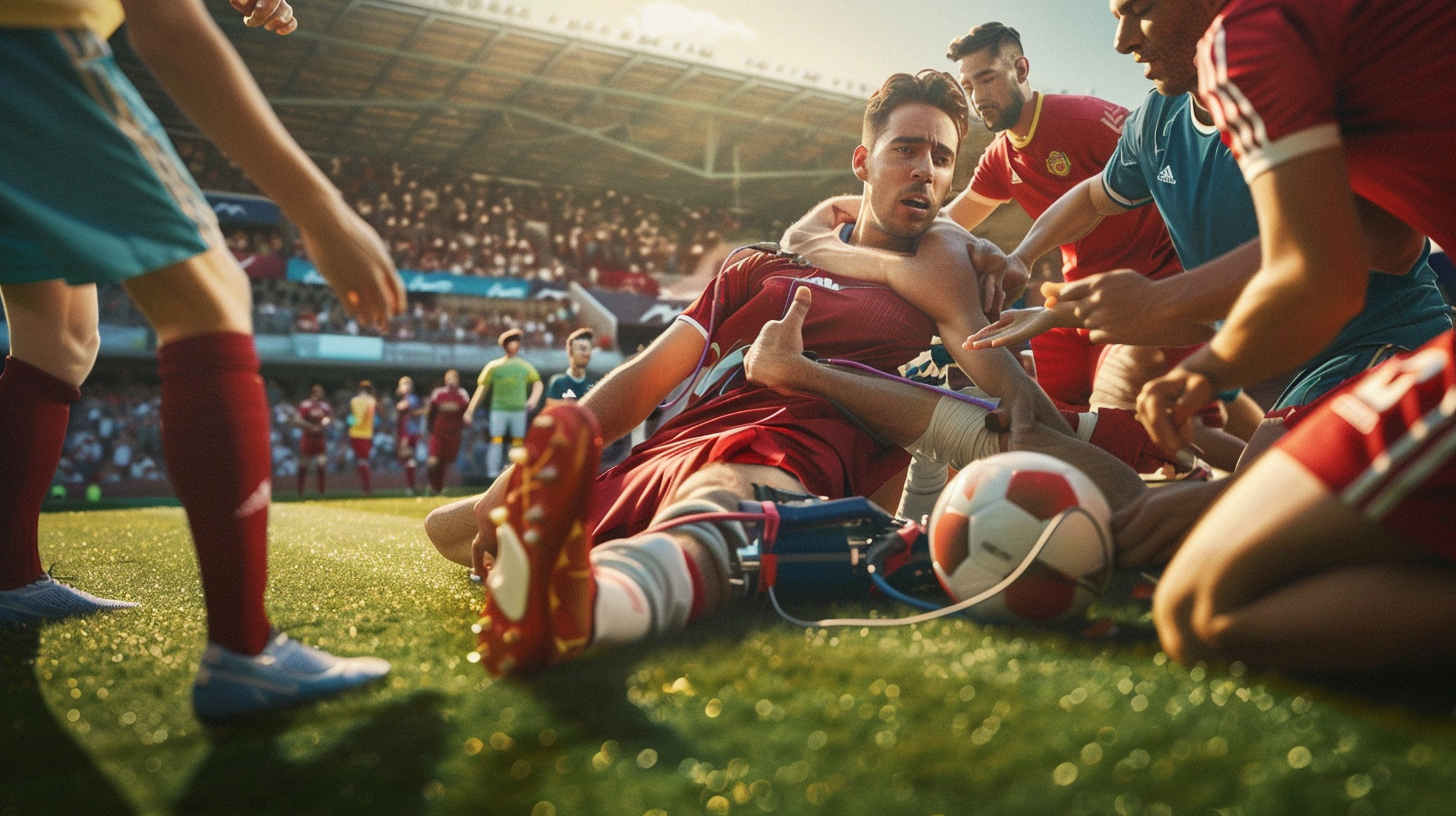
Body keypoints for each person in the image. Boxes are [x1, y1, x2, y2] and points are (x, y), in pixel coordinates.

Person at [425, 71, 1087, 678]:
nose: (924, 171)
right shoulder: (758, 265)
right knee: (451, 529)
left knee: (717, 496)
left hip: (794, 459)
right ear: (863, 161)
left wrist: (1077, 456)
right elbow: (649, 375)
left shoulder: (942, 281)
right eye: (906, 150)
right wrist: (510, 485)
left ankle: (596, 606)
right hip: (678, 445)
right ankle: (607, 562)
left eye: (941, 158)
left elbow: (1004, 384)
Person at [0, 0, 402, 719]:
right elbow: (171, 29)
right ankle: (246, 652)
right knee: (214, 300)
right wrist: (320, 210)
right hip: (28, 48)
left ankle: (8, 578)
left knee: (60, 339)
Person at [962, 0, 1451, 567]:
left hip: (1373, 351)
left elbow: (1364, 247)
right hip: (1288, 371)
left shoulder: (1300, 73)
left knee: (1228, 561)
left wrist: (1162, 306)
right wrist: (1036, 275)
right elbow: (1092, 197)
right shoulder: (1157, 121)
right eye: (1114, 15)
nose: (1121, 41)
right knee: (1192, 545)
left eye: (1139, 10)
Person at [1124, 0, 1456, 673]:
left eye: (1141, 9)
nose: (1125, 38)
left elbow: (1318, 278)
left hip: (1380, 339)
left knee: (1201, 609)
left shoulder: (1251, 33)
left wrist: (1200, 366)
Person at [465, 328, 542, 479]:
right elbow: (482, 389)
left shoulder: (524, 366)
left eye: (517, 342)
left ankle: (515, 472)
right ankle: (492, 474)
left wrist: (532, 400)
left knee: (517, 442)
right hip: (498, 410)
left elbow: (538, 383)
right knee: (496, 440)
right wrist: (469, 411)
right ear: (505, 345)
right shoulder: (494, 366)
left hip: (519, 411)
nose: (514, 346)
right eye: (511, 343)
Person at [425, 369, 470, 495]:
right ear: (445, 380)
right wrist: (429, 429)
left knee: (444, 463)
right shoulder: (438, 394)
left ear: (458, 380)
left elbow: (467, 411)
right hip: (438, 434)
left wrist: (466, 423)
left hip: (453, 435)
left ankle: (437, 489)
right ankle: (432, 485)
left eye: (454, 378)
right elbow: (431, 413)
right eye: (449, 378)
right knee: (433, 462)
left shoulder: (462, 394)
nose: (451, 380)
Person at [294, 383, 333, 497]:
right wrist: (310, 426)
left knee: (321, 465)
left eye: (320, 392)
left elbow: (329, 419)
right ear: (312, 392)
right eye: (316, 392)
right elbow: (297, 420)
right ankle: (300, 491)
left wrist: (323, 423)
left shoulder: (324, 406)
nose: (318, 394)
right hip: (308, 437)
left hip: (320, 437)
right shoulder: (306, 405)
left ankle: (321, 491)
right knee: (304, 464)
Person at [545, 328, 598, 407]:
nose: (586, 354)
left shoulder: (594, 384)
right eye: (582, 349)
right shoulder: (558, 382)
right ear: (570, 351)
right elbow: (549, 408)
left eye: (589, 350)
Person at [394, 375, 424, 495]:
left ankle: (412, 487)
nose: (406, 386)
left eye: (408, 384)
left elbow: (403, 407)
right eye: (403, 384)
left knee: (409, 458)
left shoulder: (411, 398)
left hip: (409, 433)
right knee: (407, 460)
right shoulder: (405, 399)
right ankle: (411, 486)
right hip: (404, 432)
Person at [347, 380, 377, 495]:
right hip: (366, 434)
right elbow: (371, 417)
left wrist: (354, 424)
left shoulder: (353, 401)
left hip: (354, 433)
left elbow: (350, 418)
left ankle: (365, 487)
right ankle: (366, 487)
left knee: (359, 461)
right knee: (363, 461)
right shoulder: (372, 401)